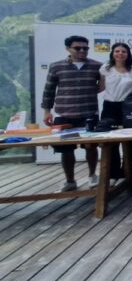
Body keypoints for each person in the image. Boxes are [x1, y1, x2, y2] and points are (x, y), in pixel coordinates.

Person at [41, 35, 101, 191]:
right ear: (68, 48)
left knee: (91, 147)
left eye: (85, 48)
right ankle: (70, 181)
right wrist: (47, 111)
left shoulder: (97, 66)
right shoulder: (56, 66)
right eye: (77, 48)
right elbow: (49, 90)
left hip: (89, 114)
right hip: (64, 115)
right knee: (66, 149)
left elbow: (103, 85)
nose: (82, 51)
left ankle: (92, 176)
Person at [99, 42, 132, 178]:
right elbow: (101, 87)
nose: (120, 54)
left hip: (128, 107)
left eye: (123, 51)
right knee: (110, 140)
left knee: (129, 140)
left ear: (128, 54)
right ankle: (113, 173)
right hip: (109, 106)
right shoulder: (106, 68)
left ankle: (129, 172)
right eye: (117, 51)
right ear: (112, 53)